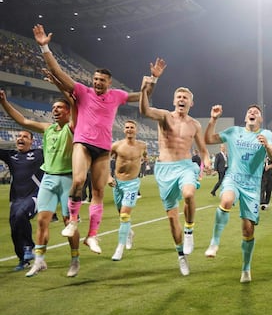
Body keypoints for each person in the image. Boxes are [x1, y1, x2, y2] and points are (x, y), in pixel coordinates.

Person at [33, 24, 166, 254]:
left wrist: (152, 79)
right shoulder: (82, 92)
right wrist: (45, 48)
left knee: (98, 193)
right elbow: (60, 73)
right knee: (77, 181)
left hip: (103, 149)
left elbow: (142, 96)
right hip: (83, 143)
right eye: (94, 79)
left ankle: (92, 236)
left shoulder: (117, 96)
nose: (96, 82)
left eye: (101, 80)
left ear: (109, 83)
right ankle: (73, 220)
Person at [1, 89, 81, 277]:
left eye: (60, 107)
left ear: (68, 111)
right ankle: (39, 260)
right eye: (53, 108)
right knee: (41, 220)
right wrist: (4, 102)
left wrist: (66, 91)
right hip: (49, 177)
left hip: (67, 178)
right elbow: (23, 121)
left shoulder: (72, 127)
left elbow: (77, 107)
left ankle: (75, 260)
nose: (55, 110)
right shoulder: (47, 128)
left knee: (69, 222)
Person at [139, 74, 211, 276]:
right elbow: (144, 110)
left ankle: (189, 231)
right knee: (172, 218)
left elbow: (204, 151)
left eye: (185, 97)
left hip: (185, 166)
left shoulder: (195, 124)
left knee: (189, 194)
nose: (181, 99)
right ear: (173, 101)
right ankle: (181, 256)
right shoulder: (164, 116)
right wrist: (145, 89)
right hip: (164, 170)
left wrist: (205, 166)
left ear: (191, 102)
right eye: (178, 97)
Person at [203, 104, 272, 283]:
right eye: (250, 111)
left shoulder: (266, 134)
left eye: (256, 112)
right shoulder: (233, 131)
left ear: (260, 119)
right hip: (233, 179)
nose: (252, 113)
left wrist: (267, 146)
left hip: (252, 187)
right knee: (226, 200)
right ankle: (214, 242)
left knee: (248, 230)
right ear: (246, 117)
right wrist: (213, 120)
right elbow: (208, 139)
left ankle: (246, 268)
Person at [0, 111, 42, 271]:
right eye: (18, 136)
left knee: (20, 215)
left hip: (34, 196)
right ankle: (22, 259)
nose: (20, 138)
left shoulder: (39, 154)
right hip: (15, 199)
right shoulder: (11, 156)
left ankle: (28, 246)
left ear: (32, 141)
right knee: (14, 228)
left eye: (25, 136)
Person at [107, 120, 148, 261]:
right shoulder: (116, 145)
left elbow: (145, 156)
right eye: (127, 127)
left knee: (124, 215)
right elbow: (105, 159)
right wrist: (107, 176)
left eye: (132, 127)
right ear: (124, 130)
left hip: (132, 184)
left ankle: (120, 247)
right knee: (121, 214)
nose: (129, 129)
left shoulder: (142, 146)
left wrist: (143, 162)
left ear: (136, 130)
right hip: (117, 183)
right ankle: (129, 232)